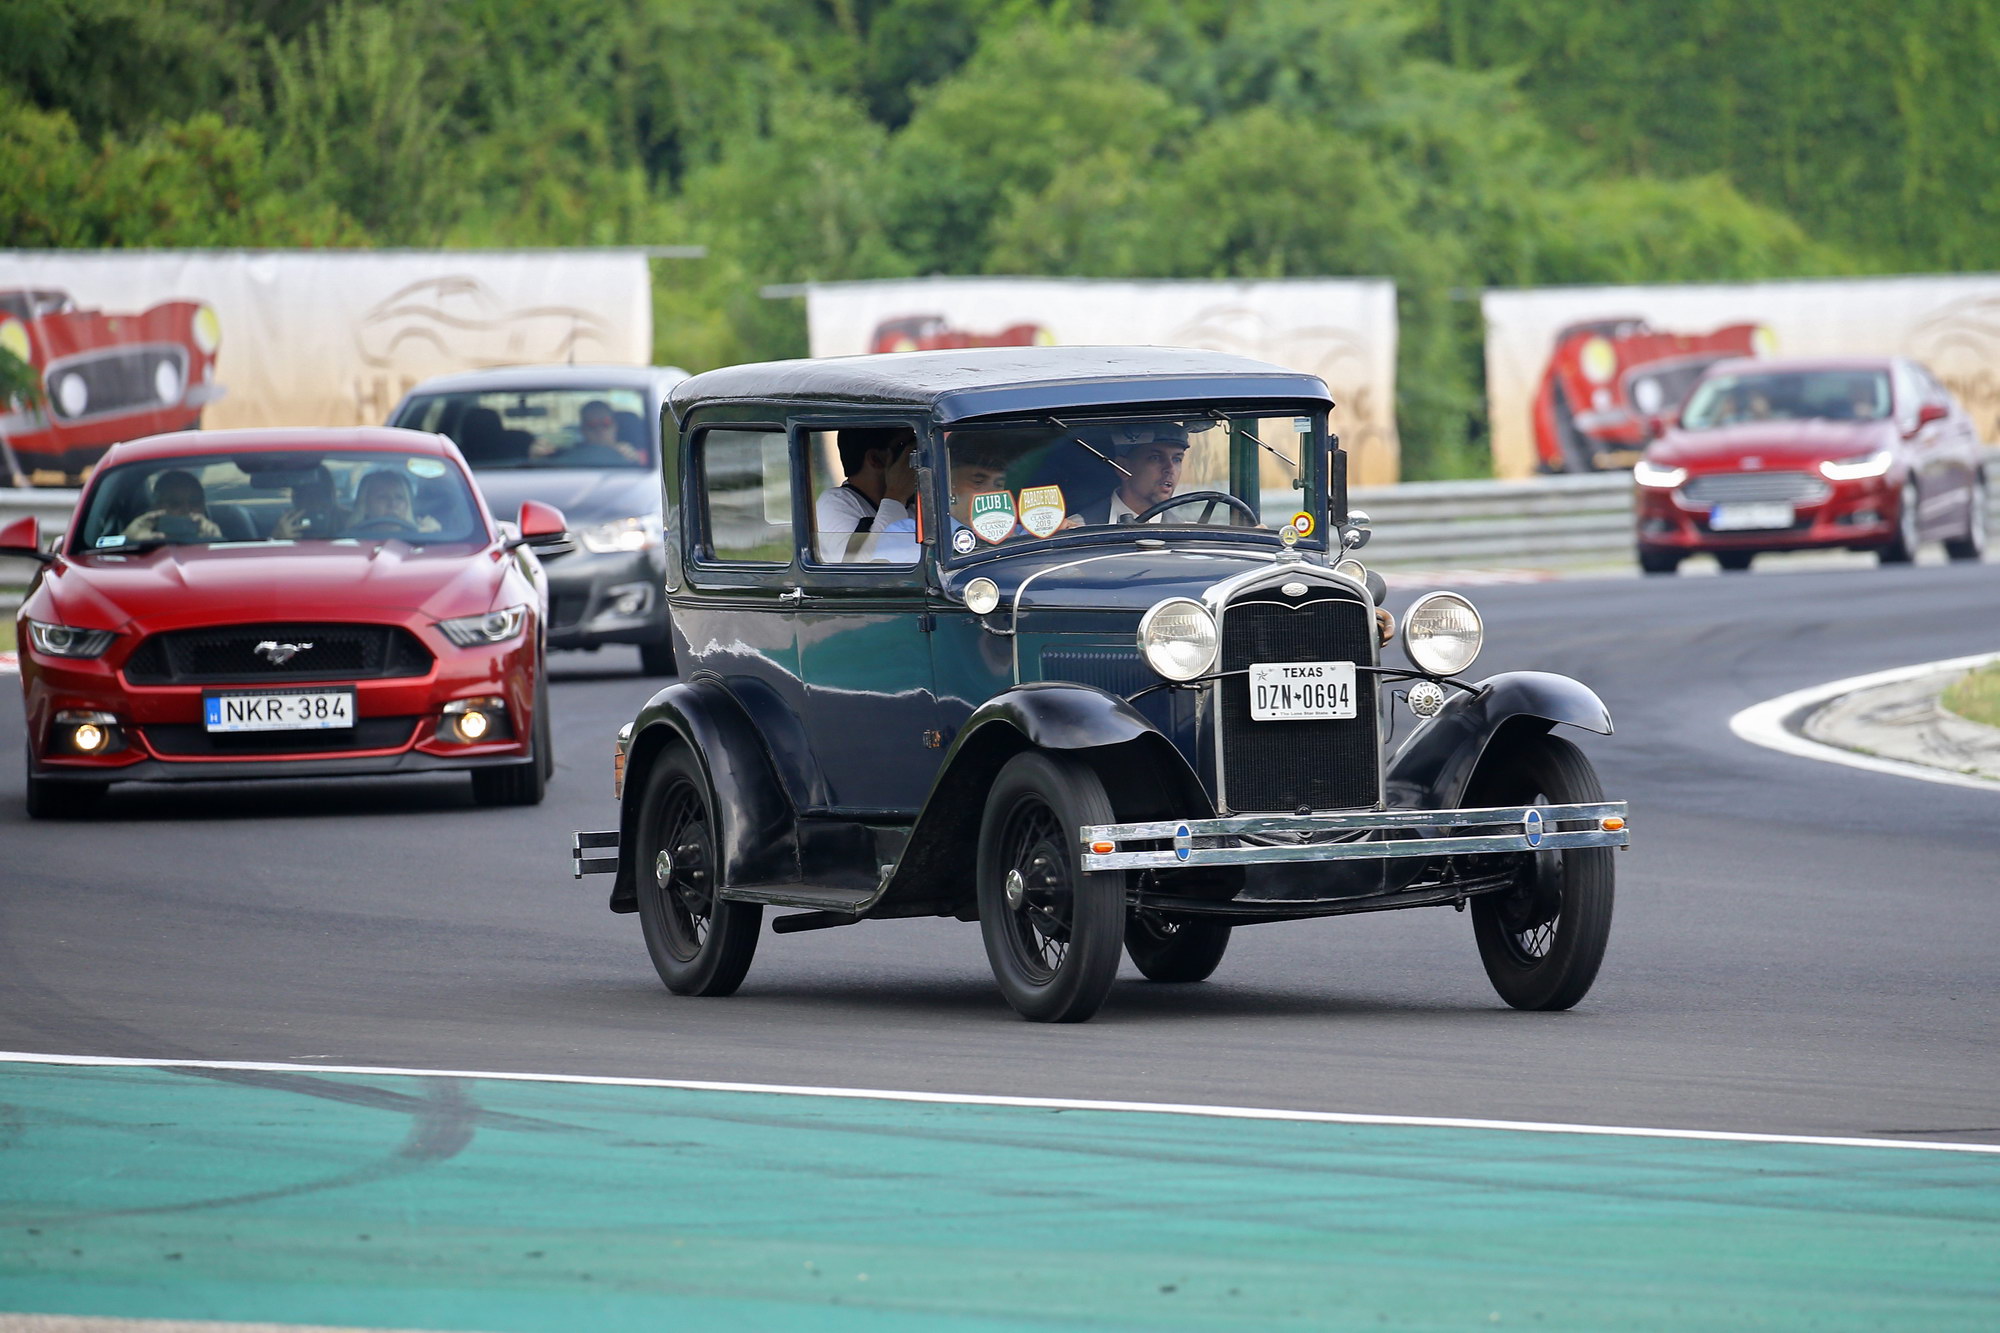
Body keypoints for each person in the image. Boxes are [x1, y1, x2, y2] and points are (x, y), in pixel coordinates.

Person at [816, 427, 918, 556]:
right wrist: (896, 494)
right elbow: (860, 565)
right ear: (875, 459)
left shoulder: (912, 505)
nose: (913, 453)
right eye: (903, 446)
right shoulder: (835, 502)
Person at [1070, 422, 1190, 524]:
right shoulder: (1079, 529)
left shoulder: (1189, 534)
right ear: (1122, 467)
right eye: (1155, 458)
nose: (1170, 468)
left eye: (1177, 459)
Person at [123, 469, 223, 542]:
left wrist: (216, 542)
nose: (186, 509)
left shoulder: (218, 535)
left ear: (203, 505)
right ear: (157, 507)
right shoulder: (139, 535)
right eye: (175, 503)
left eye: (194, 502)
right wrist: (128, 540)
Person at [346, 469, 440, 535]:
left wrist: (432, 535)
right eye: (382, 497)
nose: (392, 504)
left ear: (408, 504)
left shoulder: (422, 539)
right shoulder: (348, 541)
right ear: (365, 505)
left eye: (399, 498)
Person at [272, 465, 345, 539]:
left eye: (317, 494)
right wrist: (279, 537)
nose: (312, 500)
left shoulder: (346, 519)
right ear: (295, 498)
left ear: (330, 494)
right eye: (303, 494)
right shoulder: (287, 523)